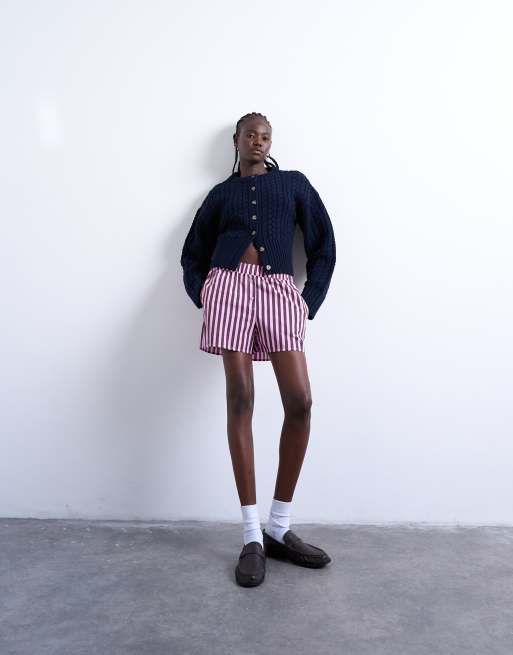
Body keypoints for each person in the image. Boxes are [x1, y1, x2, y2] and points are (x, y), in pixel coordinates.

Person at [180, 112, 336, 587]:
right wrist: (207, 295)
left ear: (271, 142)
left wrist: (306, 301)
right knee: (241, 400)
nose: (258, 141)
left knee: (301, 402)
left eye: (265, 136)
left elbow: (324, 246)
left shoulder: (293, 184)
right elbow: (192, 253)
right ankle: (251, 535)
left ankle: (279, 528)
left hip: (278, 292)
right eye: (250, 134)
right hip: (228, 291)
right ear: (237, 140)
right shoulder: (220, 195)